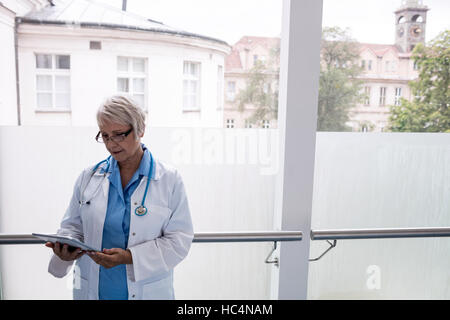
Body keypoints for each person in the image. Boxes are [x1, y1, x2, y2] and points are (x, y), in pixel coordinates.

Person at [45, 95, 194, 300]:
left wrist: (130, 257)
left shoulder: (169, 180)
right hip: (95, 291)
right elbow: (73, 226)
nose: (111, 144)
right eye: (105, 136)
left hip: (148, 292)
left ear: (140, 130)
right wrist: (66, 247)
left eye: (119, 134)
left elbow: (180, 240)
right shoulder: (89, 177)